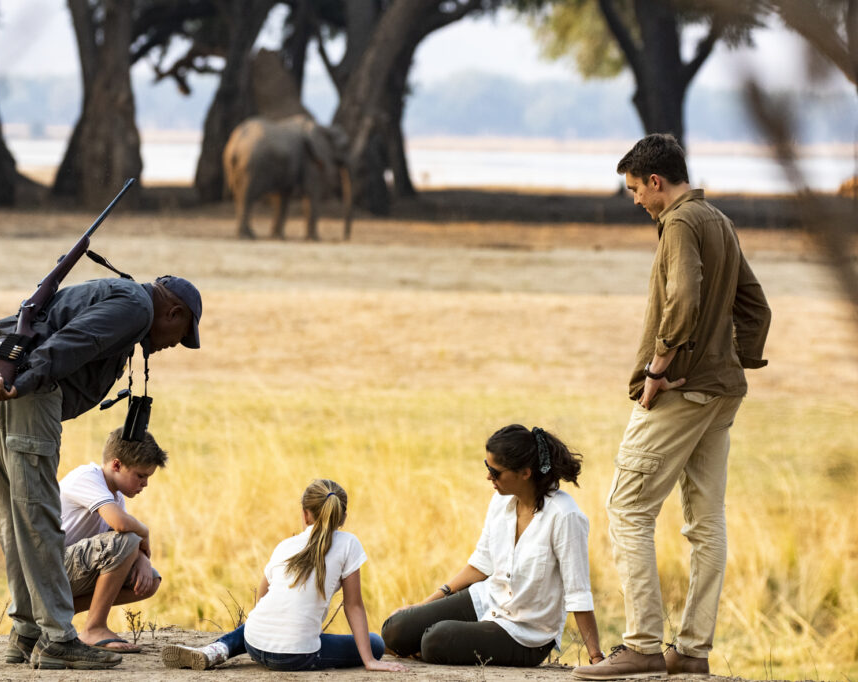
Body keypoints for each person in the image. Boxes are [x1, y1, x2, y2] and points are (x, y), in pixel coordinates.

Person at [572, 134, 771, 680]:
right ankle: (691, 650)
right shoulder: (720, 221)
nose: (635, 199)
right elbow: (756, 306)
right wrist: (732, 360)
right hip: (721, 390)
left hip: (681, 389)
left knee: (627, 506)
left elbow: (682, 299)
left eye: (635, 189)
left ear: (656, 181)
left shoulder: (681, 222)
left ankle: (640, 644)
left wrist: (661, 368)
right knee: (706, 520)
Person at [0, 275, 202, 670]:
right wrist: (21, 384)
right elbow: (74, 343)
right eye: (180, 333)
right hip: (16, 382)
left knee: (12, 512)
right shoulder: (137, 308)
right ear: (173, 312)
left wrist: (6, 373)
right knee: (37, 513)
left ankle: (27, 632)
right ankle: (57, 637)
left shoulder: (116, 296)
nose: (174, 344)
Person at [381, 424, 604, 669]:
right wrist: (425, 603)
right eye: (487, 468)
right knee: (395, 628)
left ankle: (430, 649)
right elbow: (480, 564)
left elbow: (578, 593)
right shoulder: (501, 501)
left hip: (526, 634)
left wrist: (596, 658)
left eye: (495, 471)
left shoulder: (565, 516)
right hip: (487, 600)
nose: (489, 477)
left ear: (525, 473)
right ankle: (428, 645)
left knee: (435, 640)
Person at [161, 479, 407, 673]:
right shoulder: (348, 543)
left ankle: (217, 649)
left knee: (255, 623)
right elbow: (353, 605)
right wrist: (369, 661)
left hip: (254, 644)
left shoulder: (286, 545)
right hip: (297, 655)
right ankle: (229, 646)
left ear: (305, 514)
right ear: (342, 517)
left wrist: (273, 631)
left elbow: (262, 595)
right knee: (375, 643)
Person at [59, 427, 168, 654]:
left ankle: (57, 614)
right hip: (47, 570)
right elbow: (121, 527)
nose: (145, 484)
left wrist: (143, 560)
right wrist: (144, 533)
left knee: (150, 581)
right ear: (116, 465)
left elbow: (122, 537)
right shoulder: (87, 477)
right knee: (127, 540)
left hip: (68, 570)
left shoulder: (115, 496)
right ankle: (94, 628)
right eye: (140, 475)